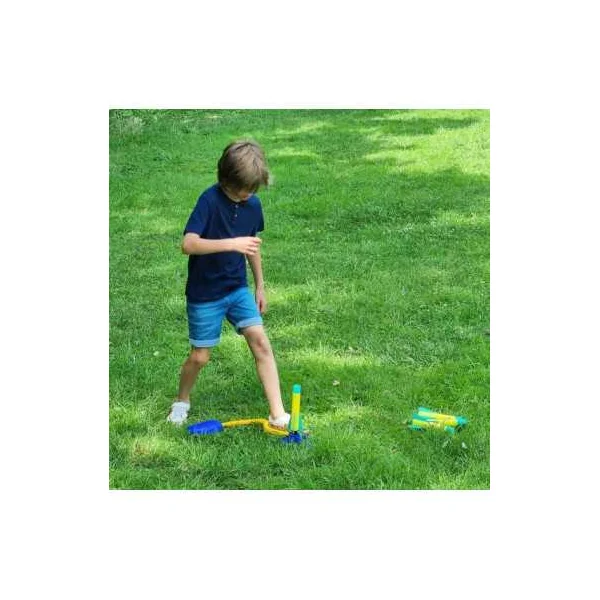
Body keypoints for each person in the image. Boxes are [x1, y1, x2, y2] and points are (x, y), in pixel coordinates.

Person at [167, 140, 290, 429]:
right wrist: (231, 243)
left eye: (252, 189)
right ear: (225, 179)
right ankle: (182, 401)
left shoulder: (253, 204)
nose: (247, 194)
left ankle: (278, 414)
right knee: (200, 357)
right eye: (242, 189)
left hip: (237, 289)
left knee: (260, 342)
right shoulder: (209, 201)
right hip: (205, 294)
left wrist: (260, 285)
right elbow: (188, 244)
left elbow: (251, 245)